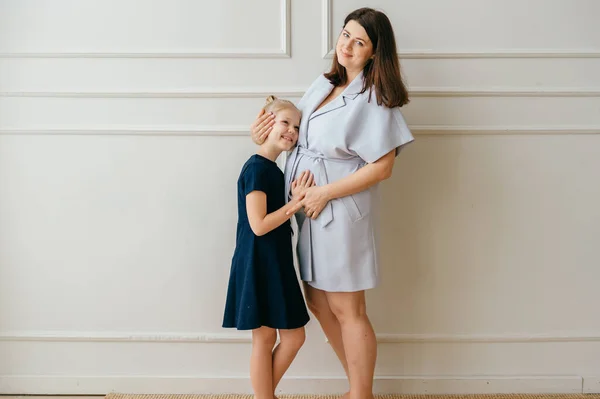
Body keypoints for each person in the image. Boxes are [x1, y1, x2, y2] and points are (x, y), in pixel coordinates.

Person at [250, 8, 414, 399]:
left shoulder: (375, 99)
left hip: (339, 212)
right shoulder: (324, 84)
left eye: (360, 42)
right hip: (307, 212)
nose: (347, 46)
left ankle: (362, 394)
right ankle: (356, 385)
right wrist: (264, 135)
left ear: (375, 53)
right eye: (345, 35)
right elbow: (294, 131)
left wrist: (323, 192)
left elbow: (383, 167)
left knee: (347, 308)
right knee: (320, 303)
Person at [223, 96, 316, 399]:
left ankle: (264, 396)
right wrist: (296, 204)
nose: (291, 130)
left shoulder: (274, 170)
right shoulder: (257, 169)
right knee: (264, 339)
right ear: (267, 123)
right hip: (258, 262)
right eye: (285, 122)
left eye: (297, 126)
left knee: (293, 336)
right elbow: (259, 224)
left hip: (275, 261)